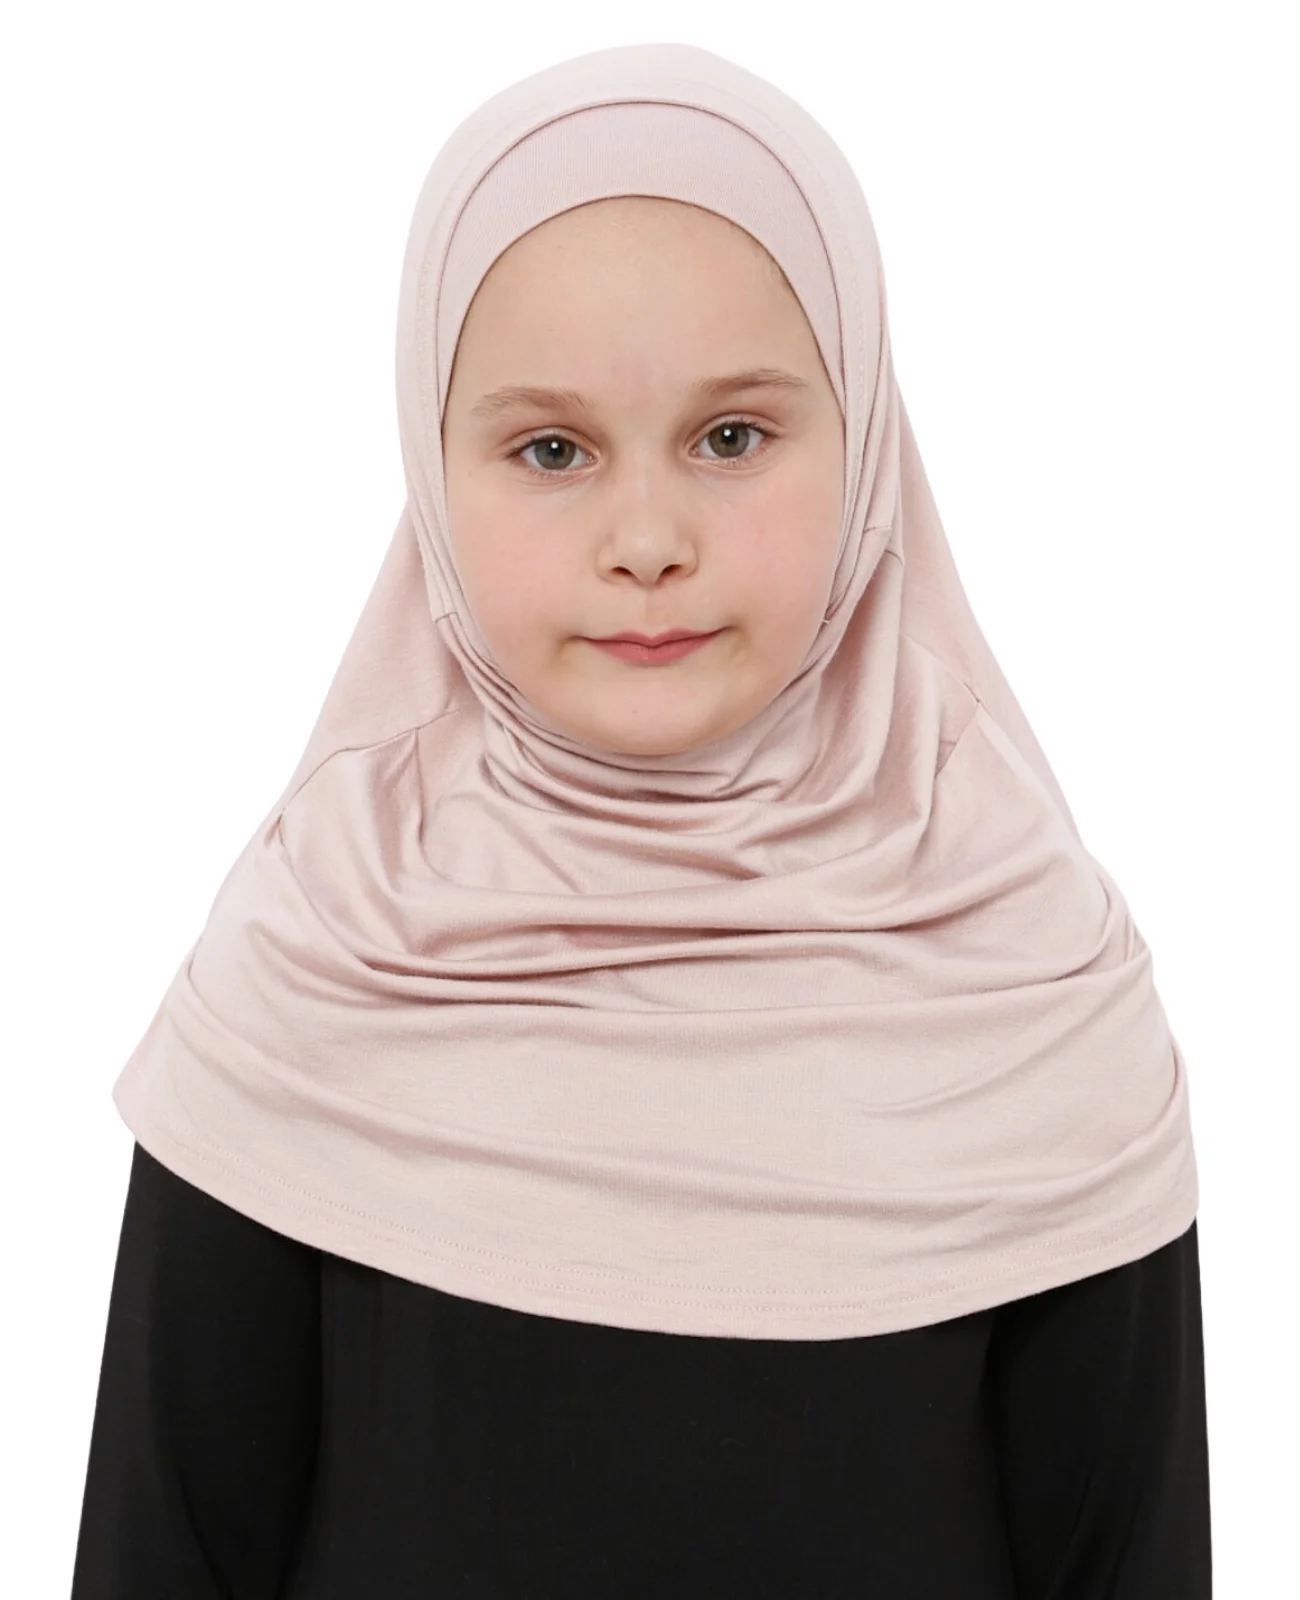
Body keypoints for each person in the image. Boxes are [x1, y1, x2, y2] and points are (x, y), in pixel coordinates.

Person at [71, 42, 1211, 1598]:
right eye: (551, 451)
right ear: (433, 473)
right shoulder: (318, 956)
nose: (649, 540)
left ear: (867, 441)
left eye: (732, 438)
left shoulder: (1031, 979)